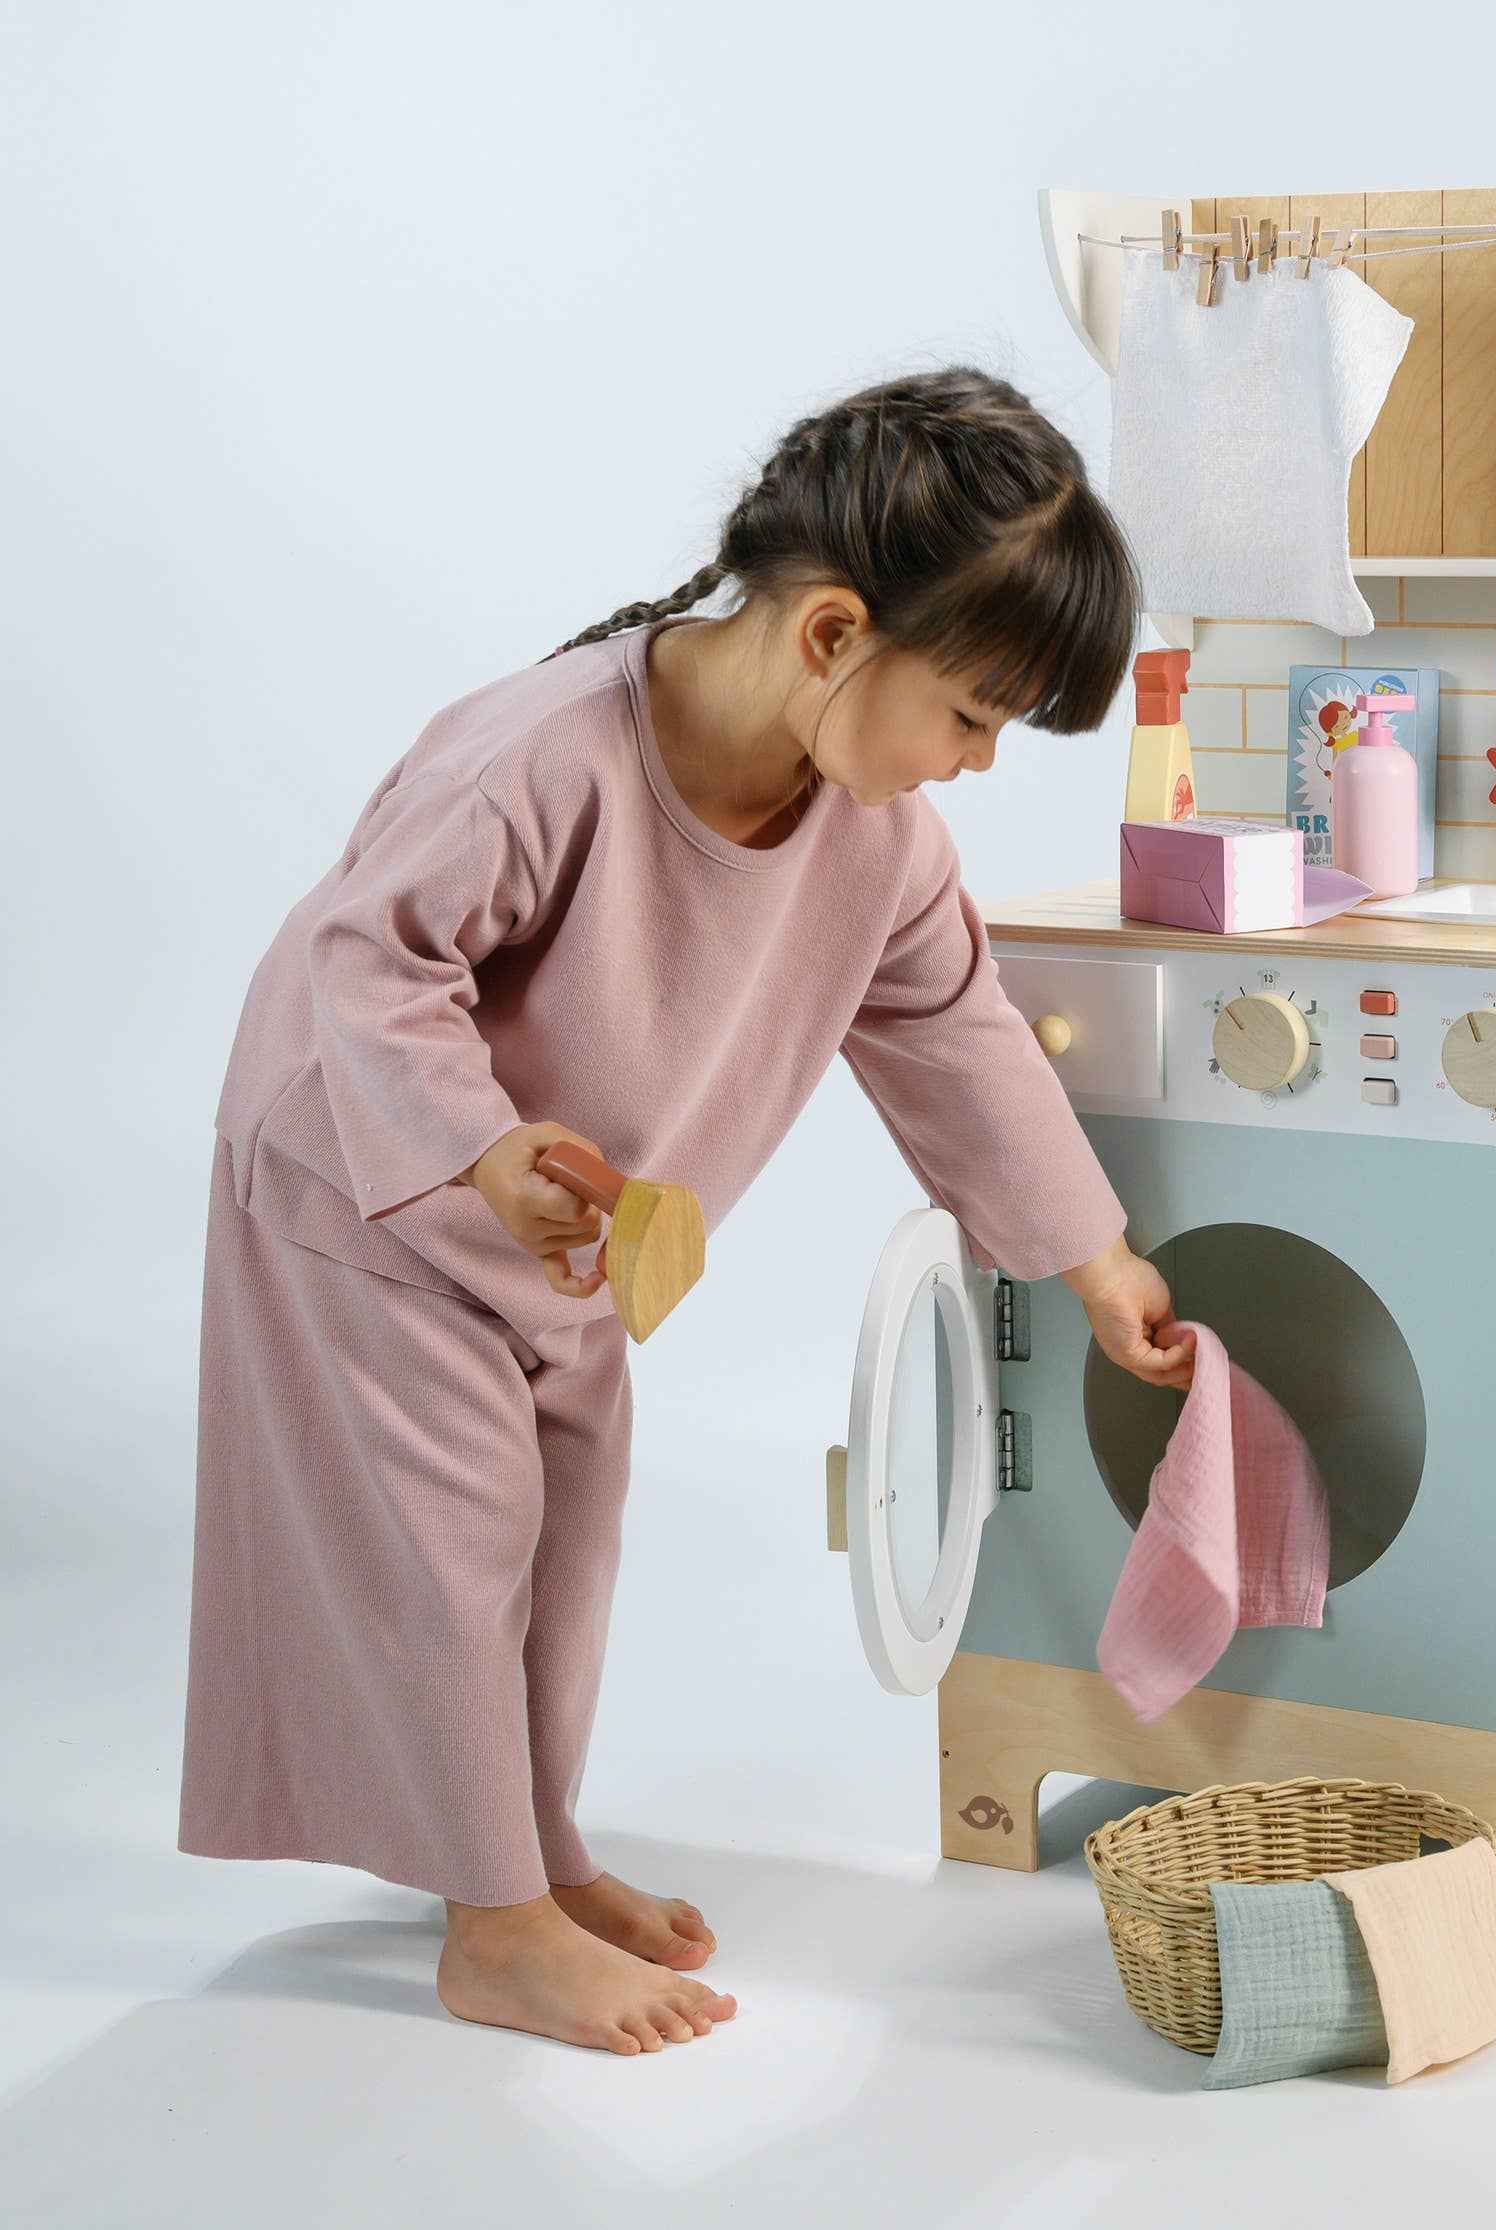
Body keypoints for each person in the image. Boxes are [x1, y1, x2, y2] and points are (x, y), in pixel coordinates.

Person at [180, 363, 1197, 2059]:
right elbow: (373, 955)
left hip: (572, 1236)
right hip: (371, 1177)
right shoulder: (545, 754)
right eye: (969, 712)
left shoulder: (880, 841)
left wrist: (1091, 1259)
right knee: (448, 1539)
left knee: (564, 1542)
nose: (978, 759)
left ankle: (532, 1851)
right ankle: (491, 1926)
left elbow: (958, 1035)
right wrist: (478, 1150)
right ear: (829, 637)